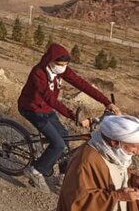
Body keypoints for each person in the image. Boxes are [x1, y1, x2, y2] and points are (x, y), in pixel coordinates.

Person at [17, 43, 121, 192]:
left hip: (46, 109)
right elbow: (50, 100)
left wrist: (107, 103)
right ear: (50, 61)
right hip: (31, 109)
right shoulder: (38, 73)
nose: (63, 67)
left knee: (64, 137)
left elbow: (82, 85)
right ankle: (34, 170)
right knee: (58, 144)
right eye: (60, 64)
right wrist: (74, 117)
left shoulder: (60, 70)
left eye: (66, 64)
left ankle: (64, 175)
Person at [57, 115, 139, 211]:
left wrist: (134, 181)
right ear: (115, 143)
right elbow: (77, 203)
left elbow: (119, 175)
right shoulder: (85, 161)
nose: (137, 151)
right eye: (135, 147)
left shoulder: (114, 153)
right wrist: (118, 196)